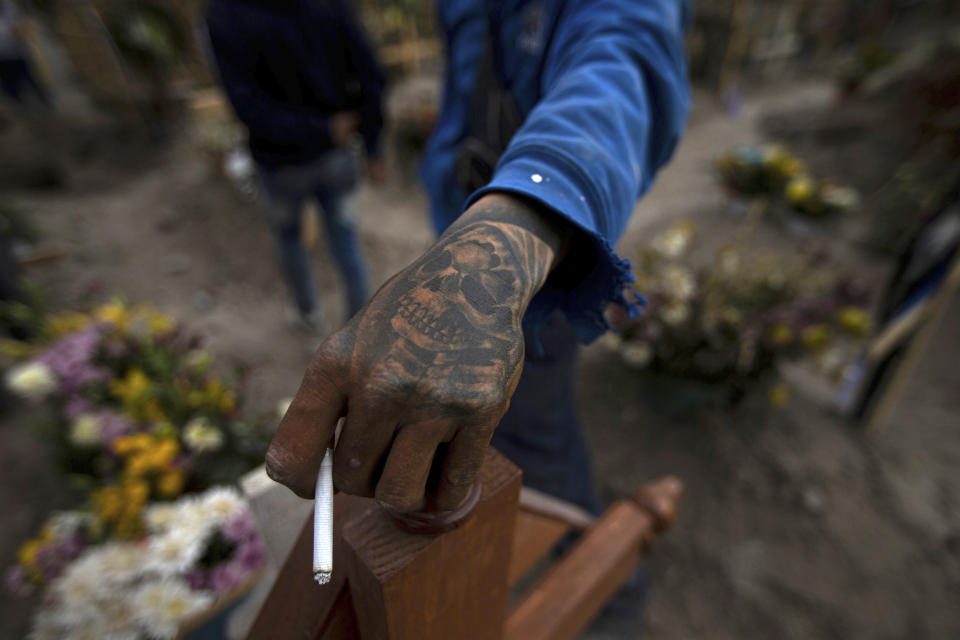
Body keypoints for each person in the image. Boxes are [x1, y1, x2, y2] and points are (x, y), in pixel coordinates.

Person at [267, 0, 689, 526]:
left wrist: (516, 224)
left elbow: (621, 70)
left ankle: (590, 583)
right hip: (464, 211)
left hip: (542, 265)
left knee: (535, 440)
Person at [205, 0, 386, 328]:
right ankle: (359, 328)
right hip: (333, 151)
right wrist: (370, 146)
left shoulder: (223, 13)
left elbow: (245, 104)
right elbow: (370, 73)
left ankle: (306, 314)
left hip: (280, 164)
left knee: (290, 238)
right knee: (344, 239)